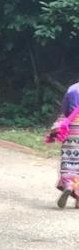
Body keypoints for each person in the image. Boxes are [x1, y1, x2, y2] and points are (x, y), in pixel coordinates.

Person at [50, 80, 79, 208]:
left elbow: (66, 111)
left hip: (72, 128)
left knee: (69, 159)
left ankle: (68, 185)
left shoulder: (73, 88)